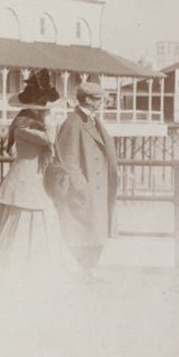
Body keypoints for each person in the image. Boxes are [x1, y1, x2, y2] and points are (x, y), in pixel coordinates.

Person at [0, 69, 64, 278]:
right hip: (24, 183)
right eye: (44, 108)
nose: (47, 112)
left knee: (36, 225)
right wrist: (47, 117)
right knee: (24, 225)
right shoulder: (23, 127)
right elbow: (50, 139)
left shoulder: (29, 124)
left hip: (35, 181)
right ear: (38, 109)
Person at [55, 79, 118, 280]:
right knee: (83, 229)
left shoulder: (91, 120)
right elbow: (68, 160)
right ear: (88, 100)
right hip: (88, 188)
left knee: (97, 230)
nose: (102, 102)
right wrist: (82, 187)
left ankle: (87, 269)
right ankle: (84, 270)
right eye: (98, 99)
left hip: (99, 187)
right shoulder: (73, 123)